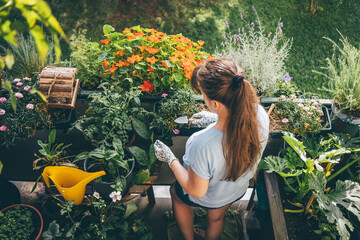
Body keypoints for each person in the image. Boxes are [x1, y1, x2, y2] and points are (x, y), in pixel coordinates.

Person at [154, 58, 269, 240]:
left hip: (209, 196)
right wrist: (214, 118)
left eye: (203, 95)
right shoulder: (260, 114)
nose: (203, 98)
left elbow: (196, 191)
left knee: (176, 194)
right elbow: (235, 125)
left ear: (215, 103)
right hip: (234, 191)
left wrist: (170, 159)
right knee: (216, 217)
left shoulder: (201, 143)